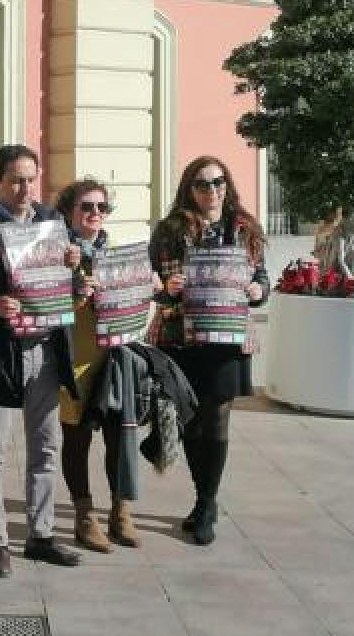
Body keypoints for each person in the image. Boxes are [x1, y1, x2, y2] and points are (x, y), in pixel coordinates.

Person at [0, 144, 83, 578]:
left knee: (46, 446)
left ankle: (41, 535)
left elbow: (72, 284)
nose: (25, 188)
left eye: (31, 179)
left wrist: (76, 267)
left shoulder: (53, 223)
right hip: (0, 353)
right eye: (16, 180)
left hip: (45, 350)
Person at [148, 156, 268, 546]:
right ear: (189, 189)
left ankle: (205, 503)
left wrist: (257, 291)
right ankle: (205, 499)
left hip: (227, 339)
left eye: (218, 182)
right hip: (181, 336)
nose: (211, 191)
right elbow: (153, 283)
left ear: (227, 185)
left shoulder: (245, 228)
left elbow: (262, 279)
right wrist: (168, 286)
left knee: (216, 419)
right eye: (202, 184)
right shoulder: (169, 231)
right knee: (189, 417)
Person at [53, 179, 144, 552]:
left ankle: (122, 512)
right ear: (69, 212)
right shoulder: (57, 252)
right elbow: (46, 306)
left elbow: (138, 302)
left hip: (115, 356)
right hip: (74, 358)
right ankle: (84, 515)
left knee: (120, 435)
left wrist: (145, 286)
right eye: (86, 207)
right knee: (77, 439)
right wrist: (77, 290)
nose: (95, 215)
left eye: (101, 208)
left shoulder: (118, 252)